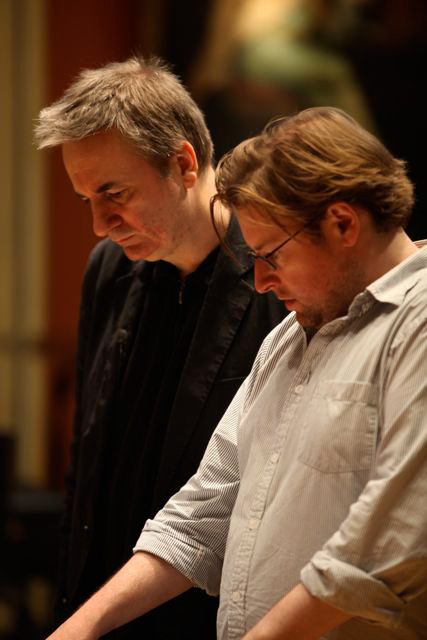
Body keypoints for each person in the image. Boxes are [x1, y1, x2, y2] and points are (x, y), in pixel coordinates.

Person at [45, 106, 427, 640]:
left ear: (342, 223)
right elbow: (206, 507)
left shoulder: (418, 324)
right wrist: (82, 627)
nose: (262, 280)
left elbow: (382, 547)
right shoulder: (289, 336)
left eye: (270, 254)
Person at [34, 56, 286, 639]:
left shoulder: (278, 274)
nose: (100, 224)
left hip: (208, 616)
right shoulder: (110, 270)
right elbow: (87, 457)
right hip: (100, 606)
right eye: (85, 199)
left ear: (183, 163)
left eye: (113, 192)